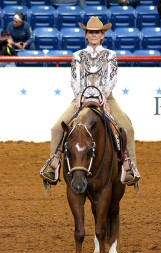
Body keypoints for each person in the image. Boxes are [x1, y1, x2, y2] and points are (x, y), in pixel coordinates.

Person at [40, 16, 140, 186]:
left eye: (97, 32)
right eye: (90, 32)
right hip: (80, 98)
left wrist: (103, 95)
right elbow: (74, 79)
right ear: (86, 35)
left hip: (107, 98)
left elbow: (111, 79)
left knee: (127, 128)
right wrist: (79, 95)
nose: (94, 35)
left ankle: (129, 166)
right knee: (56, 128)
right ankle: (53, 164)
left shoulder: (110, 55)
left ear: (102, 35)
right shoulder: (78, 56)